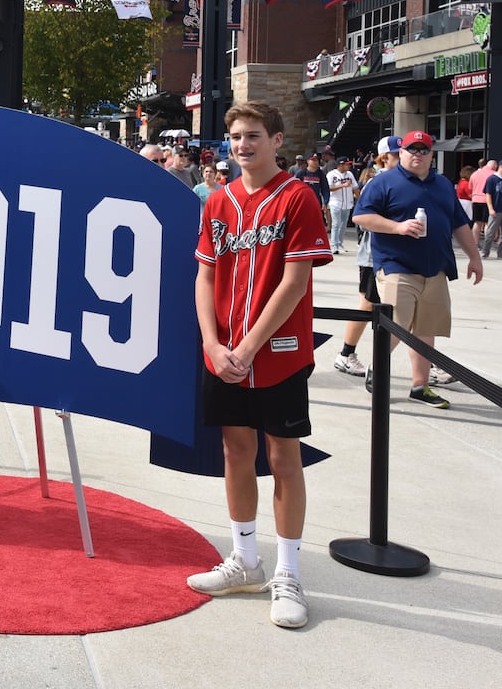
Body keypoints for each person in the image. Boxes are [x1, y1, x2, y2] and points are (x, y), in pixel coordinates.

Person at [187, 100, 332, 630]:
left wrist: (247, 347)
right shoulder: (217, 201)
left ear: (276, 140)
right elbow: (205, 274)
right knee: (235, 450)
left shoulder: (298, 197)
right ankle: (246, 560)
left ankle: (288, 572)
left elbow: (295, 282)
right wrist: (210, 342)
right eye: (235, 137)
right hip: (224, 352)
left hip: (278, 354)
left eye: (253, 136)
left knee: (284, 457)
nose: (243, 146)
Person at [352, 130, 484, 407]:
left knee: (426, 329)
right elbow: (362, 216)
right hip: (396, 266)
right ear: (401, 153)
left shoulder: (443, 184)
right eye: (412, 149)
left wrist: (474, 256)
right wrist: (397, 227)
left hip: (435, 268)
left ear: (431, 155)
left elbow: (458, 222)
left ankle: (420, 386)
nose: (418, 155)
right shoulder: (384, 182)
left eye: (423, 150)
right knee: (396, 325)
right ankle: (378, 370)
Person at [335, 145, 399, 376]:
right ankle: (345, 354)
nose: (404, 158)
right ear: (384, 157)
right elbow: (362, 218)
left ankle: (426, 364)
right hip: (375, 255)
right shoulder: (377, 182)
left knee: (408, 308)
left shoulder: (403, 180)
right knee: (369, 303)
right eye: (397, 154)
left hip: (394, 254)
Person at [325, 156, 358, 254]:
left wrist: (360, 199)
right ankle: (334, 245)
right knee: (336, 224)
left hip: (347, 203)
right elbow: (329, 188)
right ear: (341, 165)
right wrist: (342, 185)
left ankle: (340, 243)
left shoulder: (350, 174)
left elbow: (355, 187)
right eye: (347, 164)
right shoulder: (331, 174)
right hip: (335, 202)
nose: (349, 166)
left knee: (343, 225)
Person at [468, 156, 498, 247]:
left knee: (477, 222)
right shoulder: (494, 175)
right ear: (494, 166)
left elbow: (470, 187)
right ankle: (487, 244)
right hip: (488, 201)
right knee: (487, 223)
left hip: (476, 200)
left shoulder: (475, 174)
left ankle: (475, 243)